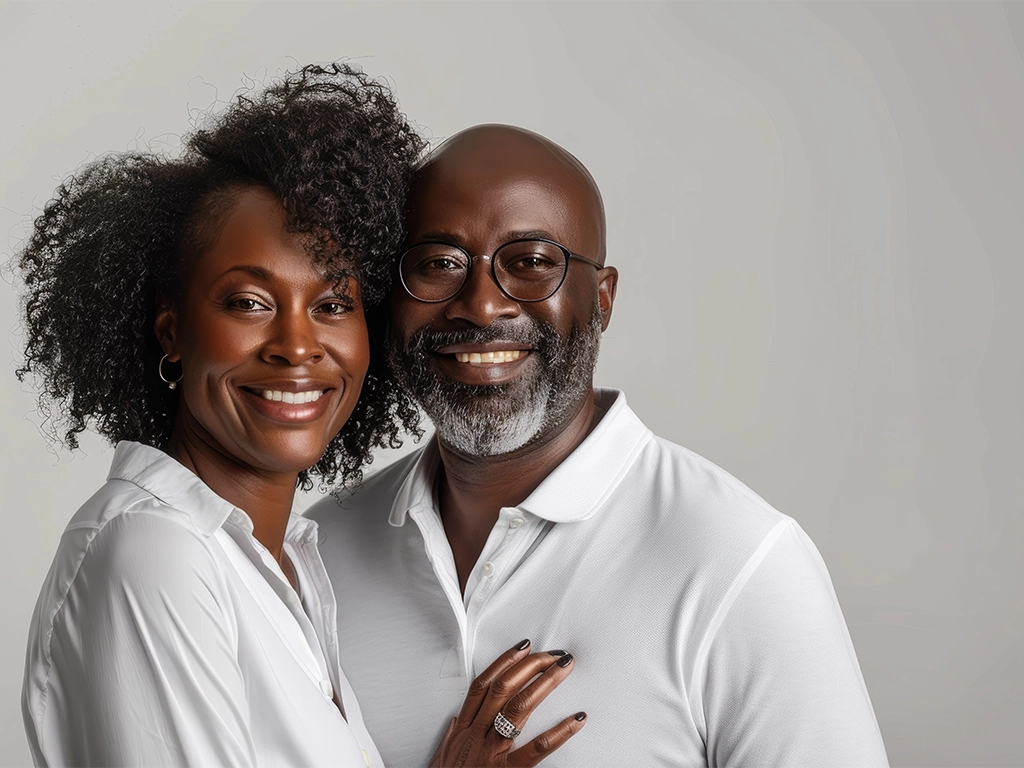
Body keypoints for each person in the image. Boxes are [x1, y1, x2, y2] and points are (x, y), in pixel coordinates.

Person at [18, 72, 585, 768]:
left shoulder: (288, 563)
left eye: (332, 305)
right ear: (171, 331)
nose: (296, 346)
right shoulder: (153, 551)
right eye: (249, 303)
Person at [309, 124, 892, 767]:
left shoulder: (737, 561)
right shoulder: (318, 553)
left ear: (604, 297)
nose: (480, 305)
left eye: (530, 262)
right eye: (438, 263)